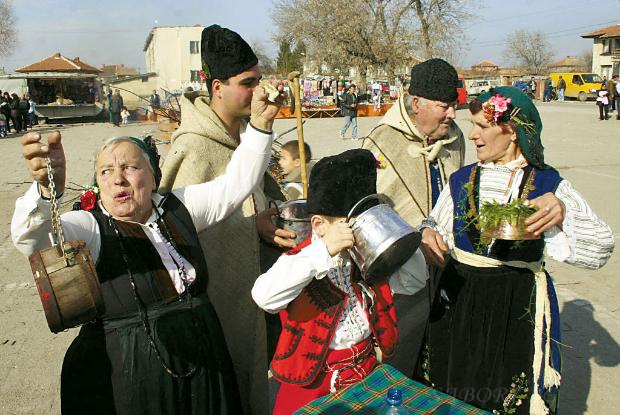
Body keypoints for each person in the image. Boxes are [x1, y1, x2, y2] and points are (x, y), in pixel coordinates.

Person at [11, 86, 281, 414]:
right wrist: (43, 192)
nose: (118, 180)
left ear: (153, 176)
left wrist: (261, 123)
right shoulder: (90, 227)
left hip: (203, 366)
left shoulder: (177, 209)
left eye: (130, 167)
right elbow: (35, 241)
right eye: (106, 172)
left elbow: (236, 183)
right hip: (132, 380)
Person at [414, 86, 614, 414]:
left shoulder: (550, 185)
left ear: (512, 132)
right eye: (473, 125)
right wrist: (426, 233)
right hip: (460, 300)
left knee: (507, 393)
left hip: (516, 303)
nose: (473, 134)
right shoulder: (461, 179)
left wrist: (562, 212)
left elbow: (601, 249)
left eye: (483, 126)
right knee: (455, 387)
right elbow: (437, 226)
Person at [159, 24, 292, 415]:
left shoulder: (245, 136)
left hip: (255, 294)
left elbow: (253, 197)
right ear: (217, 87)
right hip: (218, 306)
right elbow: (178, 235)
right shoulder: (194, 148)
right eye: (247, 83)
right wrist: (253, 226)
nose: (258, 91)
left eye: (259, 80)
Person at [252, 149, 429, 414]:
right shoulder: (302, 260)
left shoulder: (366, 261)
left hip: (365, 372)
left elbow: (414, 282)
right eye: (353, 225)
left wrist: (399, 236)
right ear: (320, 224)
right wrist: (323, 249)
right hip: (312, 383)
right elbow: (264, 297)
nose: (362, 233)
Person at [361, 58, 465, 374]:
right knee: (400, 358)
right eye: (443, 105)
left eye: (454, 105)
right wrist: (413, 237)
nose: (452, 113)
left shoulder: (456, 138)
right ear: (416, 102)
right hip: (400, 276)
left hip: (446, 266)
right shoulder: (381, 140)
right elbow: (369, 211)